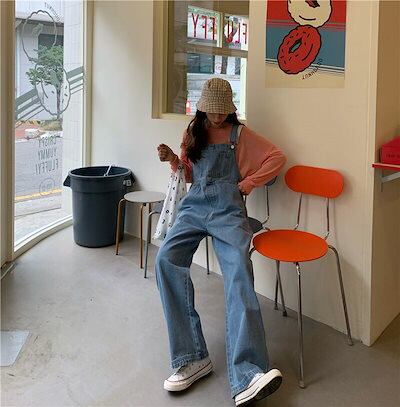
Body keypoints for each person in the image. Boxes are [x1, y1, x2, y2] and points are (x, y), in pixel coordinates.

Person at [156, 78, 286, 406]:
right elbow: (188, 174)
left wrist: (249, 183)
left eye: (221, 111)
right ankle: (192, 358)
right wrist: (173, 159)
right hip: (194, 207)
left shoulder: (240, 135)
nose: (216, 117)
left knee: (239, 269)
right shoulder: (193, 132)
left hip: (229, 210)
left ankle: (248, 372)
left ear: (229, 109)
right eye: (212, 111)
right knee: (166, 260)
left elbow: (276, 157)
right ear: (203, 108)